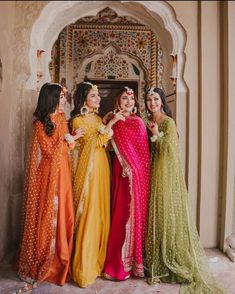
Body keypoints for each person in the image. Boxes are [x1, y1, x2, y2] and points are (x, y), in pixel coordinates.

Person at [144, 87, 225, 293]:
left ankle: (170, 259)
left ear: (162, 101)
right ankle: (155, 259)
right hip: (151, 171)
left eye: (155, 99)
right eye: (148, 99)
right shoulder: (148, 121)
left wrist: (155, 135)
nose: (152, 103)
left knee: (166, 213)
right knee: (155, 214)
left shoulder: (168, 122)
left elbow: (171, 151)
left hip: (165, 173)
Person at [16, 83, 84, 293]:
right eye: (61, 97)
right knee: (49, 214)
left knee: (65, 212)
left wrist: (71, 140)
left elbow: (68, 145)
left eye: (64, 96)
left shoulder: (62, 119)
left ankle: (63, 257)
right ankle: (50, 261)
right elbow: (48, 152)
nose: (64, 100)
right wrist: (70, 139)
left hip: (63, 171)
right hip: (49, 174)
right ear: (51, 98)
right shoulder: (39, 124)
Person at [70, 81, 124, 288]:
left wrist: (107, 123)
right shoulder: (78, 120)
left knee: (102, 214)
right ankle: (85, 267)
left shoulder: (96, 118)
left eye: (98, 95)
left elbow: (105, 141)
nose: (98, 98)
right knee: (90, 215)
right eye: (93, 96)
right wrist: (109, 125)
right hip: (90, 172)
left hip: (103, 168)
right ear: (83, 98)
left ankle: (100, 261)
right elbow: (92, 143)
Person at [103, 86, 150, 281]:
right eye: (124, 99)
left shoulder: (138, 122)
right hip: (121, 175)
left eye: (131, 99)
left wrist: (135, 172)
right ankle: (115, 263)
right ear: (118, 102)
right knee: (120, 216)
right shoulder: (112, 121)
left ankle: (131, 263)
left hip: (135, 179)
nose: (129, 102)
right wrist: (111, 120)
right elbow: (104, 142)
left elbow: (143, 155)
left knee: (130, 216)